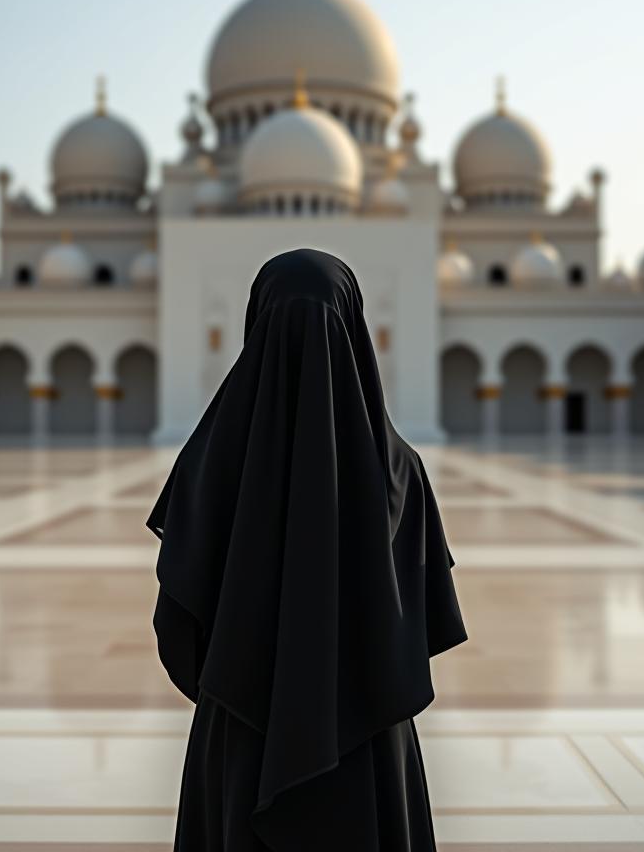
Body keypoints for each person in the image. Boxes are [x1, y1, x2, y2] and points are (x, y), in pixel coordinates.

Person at [146, 247, 467, 852]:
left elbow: (178, 625)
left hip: (242, 735)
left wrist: (244, 677)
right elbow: (424, 622)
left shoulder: (208, 461)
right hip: (368, 735)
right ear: (354, 329)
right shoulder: (401, 470)